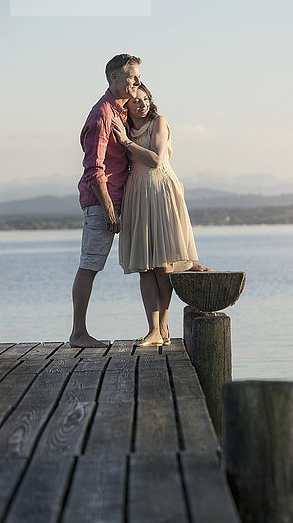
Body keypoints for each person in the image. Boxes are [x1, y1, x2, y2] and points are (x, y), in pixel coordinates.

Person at [112, 83, 207, 346]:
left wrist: (126, 142)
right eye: (136, 100)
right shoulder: (125, 127)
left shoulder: (158, 122)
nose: (141, 103)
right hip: (137, 194)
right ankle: (152, 329)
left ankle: (163, 323)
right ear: (127, 105)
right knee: (145, 267)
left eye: (145, 99)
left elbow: (155, 159)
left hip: (162, 191)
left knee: (163, 266)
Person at [69, 54, 142, 348]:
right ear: (114, 78)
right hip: (102, 202)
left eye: (138, 77)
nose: (136, 82)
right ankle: (78, 333)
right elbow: (94, 169)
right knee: (90, 265)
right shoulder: (102, 115)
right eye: (131, 77)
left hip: (118, 198)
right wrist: (110, 210)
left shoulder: (121, 111)